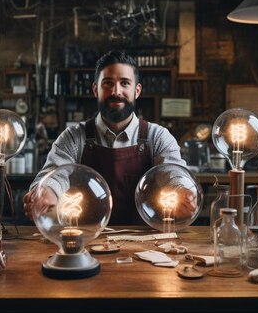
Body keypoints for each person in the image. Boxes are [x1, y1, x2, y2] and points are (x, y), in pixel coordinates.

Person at [23, 50, 196, 225]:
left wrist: (182, 190)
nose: (116, 91)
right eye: (107, 83)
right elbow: (54, 175)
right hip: (84, 243)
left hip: (145, 245)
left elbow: (172, 172)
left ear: (137, 91)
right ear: (95, 90)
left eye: (125, 83)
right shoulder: (73, 138)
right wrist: (46, 193)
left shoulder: (157, 137)